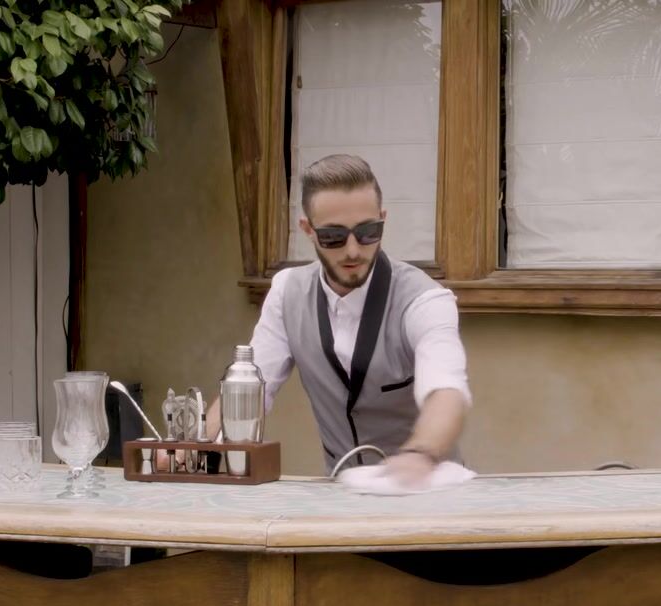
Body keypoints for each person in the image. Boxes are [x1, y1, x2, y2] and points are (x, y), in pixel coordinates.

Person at [201, 154, 471, 486]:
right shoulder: (287, 292)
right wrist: (197, 450)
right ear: (308, 230)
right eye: (334, 237)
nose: (353, 250)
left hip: (427, 491)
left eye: (368, 232)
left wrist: (420, 454)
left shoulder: (424, 300)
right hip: (342, 492)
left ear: (383, 220)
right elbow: (250, 388)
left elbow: (446, 389)